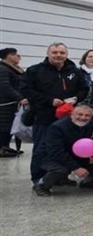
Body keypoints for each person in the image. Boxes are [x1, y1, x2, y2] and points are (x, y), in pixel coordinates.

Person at [21, 43, 89, 183]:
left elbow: (84, 88)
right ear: (48, 53)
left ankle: (60, 177)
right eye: (55, 52)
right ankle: (39, 179)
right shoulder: (35, 70)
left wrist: (76, 98)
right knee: (42, 148)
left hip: (68, 118)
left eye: (62, 53)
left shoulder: (74, 71)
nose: (58, 55)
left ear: (66, 54)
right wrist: (49, 100)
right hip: (43, 116)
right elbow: (26, 90)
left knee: (64, 147)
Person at [32, 104, 93, 196]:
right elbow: (56, 151)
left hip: (77, 154)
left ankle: (88, 181)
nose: (83, 118)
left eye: (87, 115)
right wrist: (75, 168)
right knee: (61, 170)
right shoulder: (57, 127)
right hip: (49, 156)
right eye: (79, 114)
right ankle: (42, 185)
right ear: (72, 114)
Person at [0, 48, 27, 157]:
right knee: (3, 126)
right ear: (9, 56)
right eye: (16, 54)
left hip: (13, 103)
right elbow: (5, 86)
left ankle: (6, 147)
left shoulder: (14, 69)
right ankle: (2, 147)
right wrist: (19, 98)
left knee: (10, 125)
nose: (19, 57)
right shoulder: (3, 69)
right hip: (5, 103)